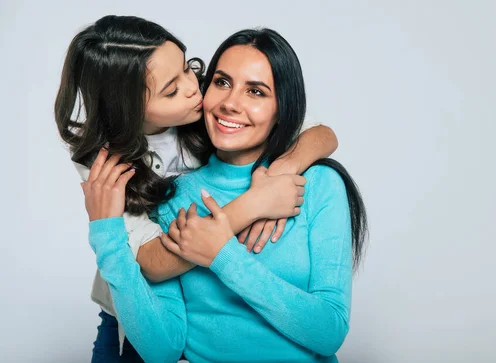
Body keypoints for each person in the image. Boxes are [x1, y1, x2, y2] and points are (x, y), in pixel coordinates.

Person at [54, 16, 339, 361]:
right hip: (132, 296)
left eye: (189, 68)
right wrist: (253, 205)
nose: (194, 88)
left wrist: (282, 169)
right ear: (126, 109)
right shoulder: (102, 162)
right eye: (172, 90)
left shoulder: (210, 102)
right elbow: (152, 263)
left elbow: (316, 131)